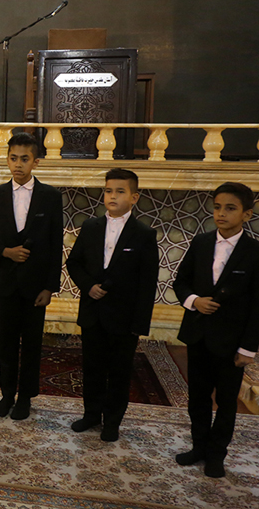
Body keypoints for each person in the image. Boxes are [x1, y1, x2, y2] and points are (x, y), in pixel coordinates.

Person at [0, 132, 63, 420]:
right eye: (13, 158)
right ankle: (7, 394)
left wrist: (50, 287)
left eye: (25, 159)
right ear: (7, 159)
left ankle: (25, 397)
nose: (18, 165)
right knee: (7, 343)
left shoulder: (50, 197)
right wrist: (5, 252)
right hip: (7, 283)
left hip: (36, 286)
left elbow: (56, 244)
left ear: (35, 162)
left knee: (33, 343)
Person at [65, 168, 159, 442]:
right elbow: (74, 262)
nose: (112, 196)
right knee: (92, 367)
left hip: (124, 316)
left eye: (120, 191)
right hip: (93, 312)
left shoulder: (143, 234)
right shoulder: (90, 227)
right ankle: (91, 414)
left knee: (119, 371)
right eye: (108, 191)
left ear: (134, 197)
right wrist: (88, 285)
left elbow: (147, 282)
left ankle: (112, 421)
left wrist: (139, 324)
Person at [173, 182, 259, 478]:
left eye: (230, 208)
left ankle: (216, 454)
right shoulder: (200, 243)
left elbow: (257, 304)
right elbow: (180, 282)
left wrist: (248, 348)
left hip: (231, 341)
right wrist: (194, 301)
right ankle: (198, 446)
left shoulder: (254, 252)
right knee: (197, 396)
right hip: (198, 334)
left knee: (226, 400)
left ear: (247, 214)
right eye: (217, 207)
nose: (221, 213)